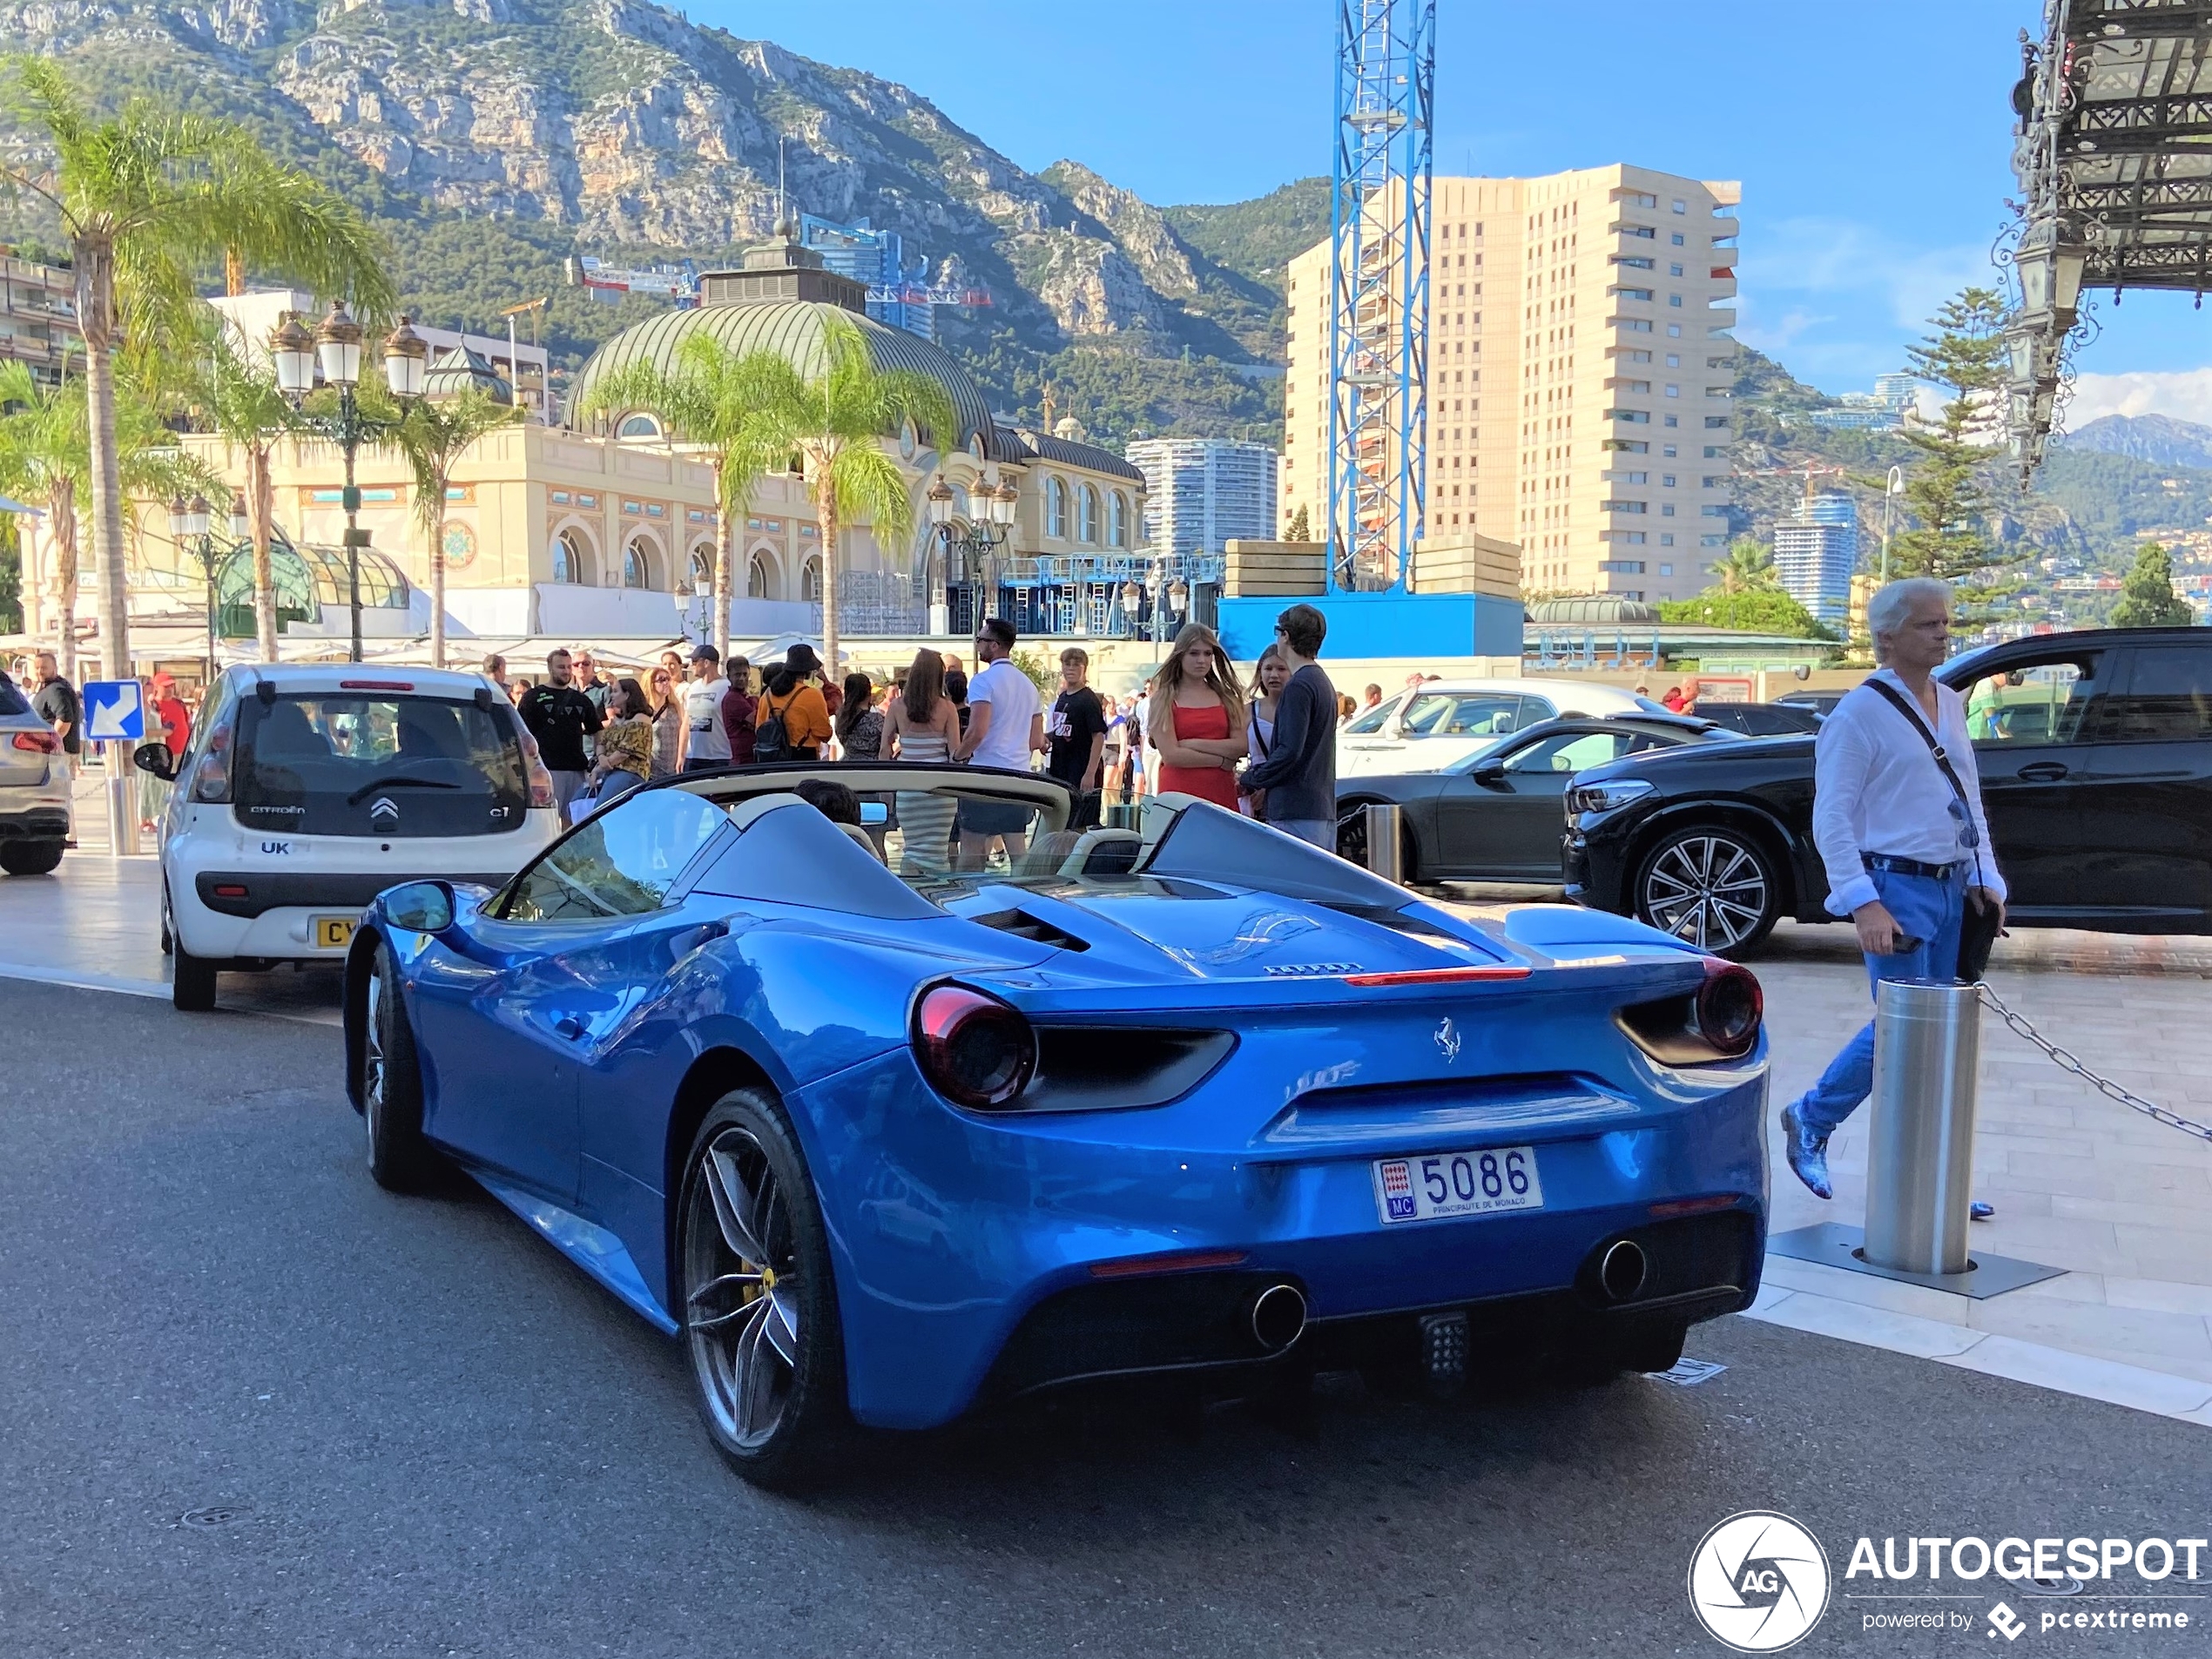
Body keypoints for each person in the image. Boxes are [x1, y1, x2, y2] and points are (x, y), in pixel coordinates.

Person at [1778, 577, 2008, 1204]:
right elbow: (1831, 819)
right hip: (1894, 886)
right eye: (1928, 625)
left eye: (1945, 622)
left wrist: (1987, 875)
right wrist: (1863, 900)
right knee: (1903, 1029)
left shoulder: (1953, 704)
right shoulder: (1858, 715)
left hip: (1950, 887)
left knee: (1938, 1035)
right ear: (1887, 637)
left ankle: (1936, 1181)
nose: (1943, 633)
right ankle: (1813, 1118)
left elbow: (1969, 801)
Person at [1238, 603, 1338, 850]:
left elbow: (1289, 750)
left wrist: (1251, 778)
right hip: (1320, 806)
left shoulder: (1299, 686)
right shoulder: (1322, 681)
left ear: (1286, 636)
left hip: (1294, 809)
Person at [955, 617, 1042, 868]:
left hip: (985, 775)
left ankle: (969, 901)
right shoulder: (1028, 685)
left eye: (980, 640)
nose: (977, 644)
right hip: (1018, 777)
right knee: (1017, 850)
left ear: (994, 645)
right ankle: (1027, 896)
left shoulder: (983, 681)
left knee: (972, 850)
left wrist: (958, 756)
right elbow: (1036, 739)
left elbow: (977, 731)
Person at [1147, 622, 1247, 813]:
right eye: (1194, 653)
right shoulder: (1163, 698)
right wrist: (1220, 761)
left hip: (1220, 791)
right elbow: (1172, 755)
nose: (1201, 660)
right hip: (1178, 792)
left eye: (1207, 653)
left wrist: (1191, 743)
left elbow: (1240, 746)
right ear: (1180, 655)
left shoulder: (1227, 697)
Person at [887, 649, 961, 875]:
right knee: (938, 852)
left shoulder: (897, 706)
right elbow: (955, 752)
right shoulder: (947, 708)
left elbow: (884, 749)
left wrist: (886, 790)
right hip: (940, 790)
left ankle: (911, 884)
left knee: (913, 848)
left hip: (908, 788)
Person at [518, 647, 603, 819]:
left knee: (574, 820)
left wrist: (596, 759)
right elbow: (521, 732)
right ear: (550, 668)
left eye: (568, 667)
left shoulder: (581, 699)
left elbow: (597, 729)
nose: (566, 671)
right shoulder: (533, 697)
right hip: (547, 769)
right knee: (548, 820)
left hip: (577, 770)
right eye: (561, 667)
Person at [1043, 646, 1108, 828]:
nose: (1071, 668)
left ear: (1084, 668)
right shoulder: (1063, 698)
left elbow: (1098, 736)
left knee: (1079, 823)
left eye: (1076, 664)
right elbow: (1063, 729)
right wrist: (1046, 738)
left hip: (1080, 768)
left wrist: (1090, 773)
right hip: (1060, 767)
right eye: (1067, 664)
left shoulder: (1088, 699)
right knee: (1062, 820)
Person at [581, 676, 654, 814]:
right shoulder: (616, 721)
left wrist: (602, 765)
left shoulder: (641, 720)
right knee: (576, 802)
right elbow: (602, 742)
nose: (611, 695)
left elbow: (624, 752)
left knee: (601, 809)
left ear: (627, 695)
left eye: (615, 691)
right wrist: (601, 759)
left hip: (628, 772)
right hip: (607, 770)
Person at [756, 653, 833, 762]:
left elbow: (759, 728)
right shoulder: (812, 695)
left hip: (770, 757)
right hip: (803, 757)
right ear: (808, 672)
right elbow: (825, 734)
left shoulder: (767, 695)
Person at [1245, 645, 1289, 820]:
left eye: (1281, 669)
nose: (1274, 675)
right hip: (1254, 792)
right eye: (1268, 668)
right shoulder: (1247, 711)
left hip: (1287, 791)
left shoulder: (1299, 710)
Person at [677, 644, 732, 772]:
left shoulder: (727, 687)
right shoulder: (693, 687)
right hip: (693, 757)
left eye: (695, 662)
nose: (691, 666)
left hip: (719, 757)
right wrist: (681, 756)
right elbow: (686, 723)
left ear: (706, 663)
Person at [31, 651, 79, 778]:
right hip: (55, 753)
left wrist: (51, 746)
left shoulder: (56, 690)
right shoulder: (51, 688)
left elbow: (64, 720)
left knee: (56, 794)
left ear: (54, 668)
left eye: (44, 668)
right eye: (37, 668)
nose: (40, 671)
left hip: (58, 754)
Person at [645, 664, 684, 778]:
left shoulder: (675, 707)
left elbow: (682, 732)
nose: (666, 683)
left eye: (668, 679)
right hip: (652, 769)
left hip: (674, 767)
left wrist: (681, 757)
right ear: (651, 684)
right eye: (661, 680)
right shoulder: (645, 710)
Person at [835, 671, 882, 761]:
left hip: (847, 764)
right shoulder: (876, 719)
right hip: (871, 766)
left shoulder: (841, 716)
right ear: (868, 692)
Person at [720, 656, 757, 766]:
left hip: (748, 757)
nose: (741, 678)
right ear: (729, 677)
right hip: (742, 760)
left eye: (745, 674)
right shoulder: (733, 698)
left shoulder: (744, 697)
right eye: (737, 675)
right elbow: (757, 720)